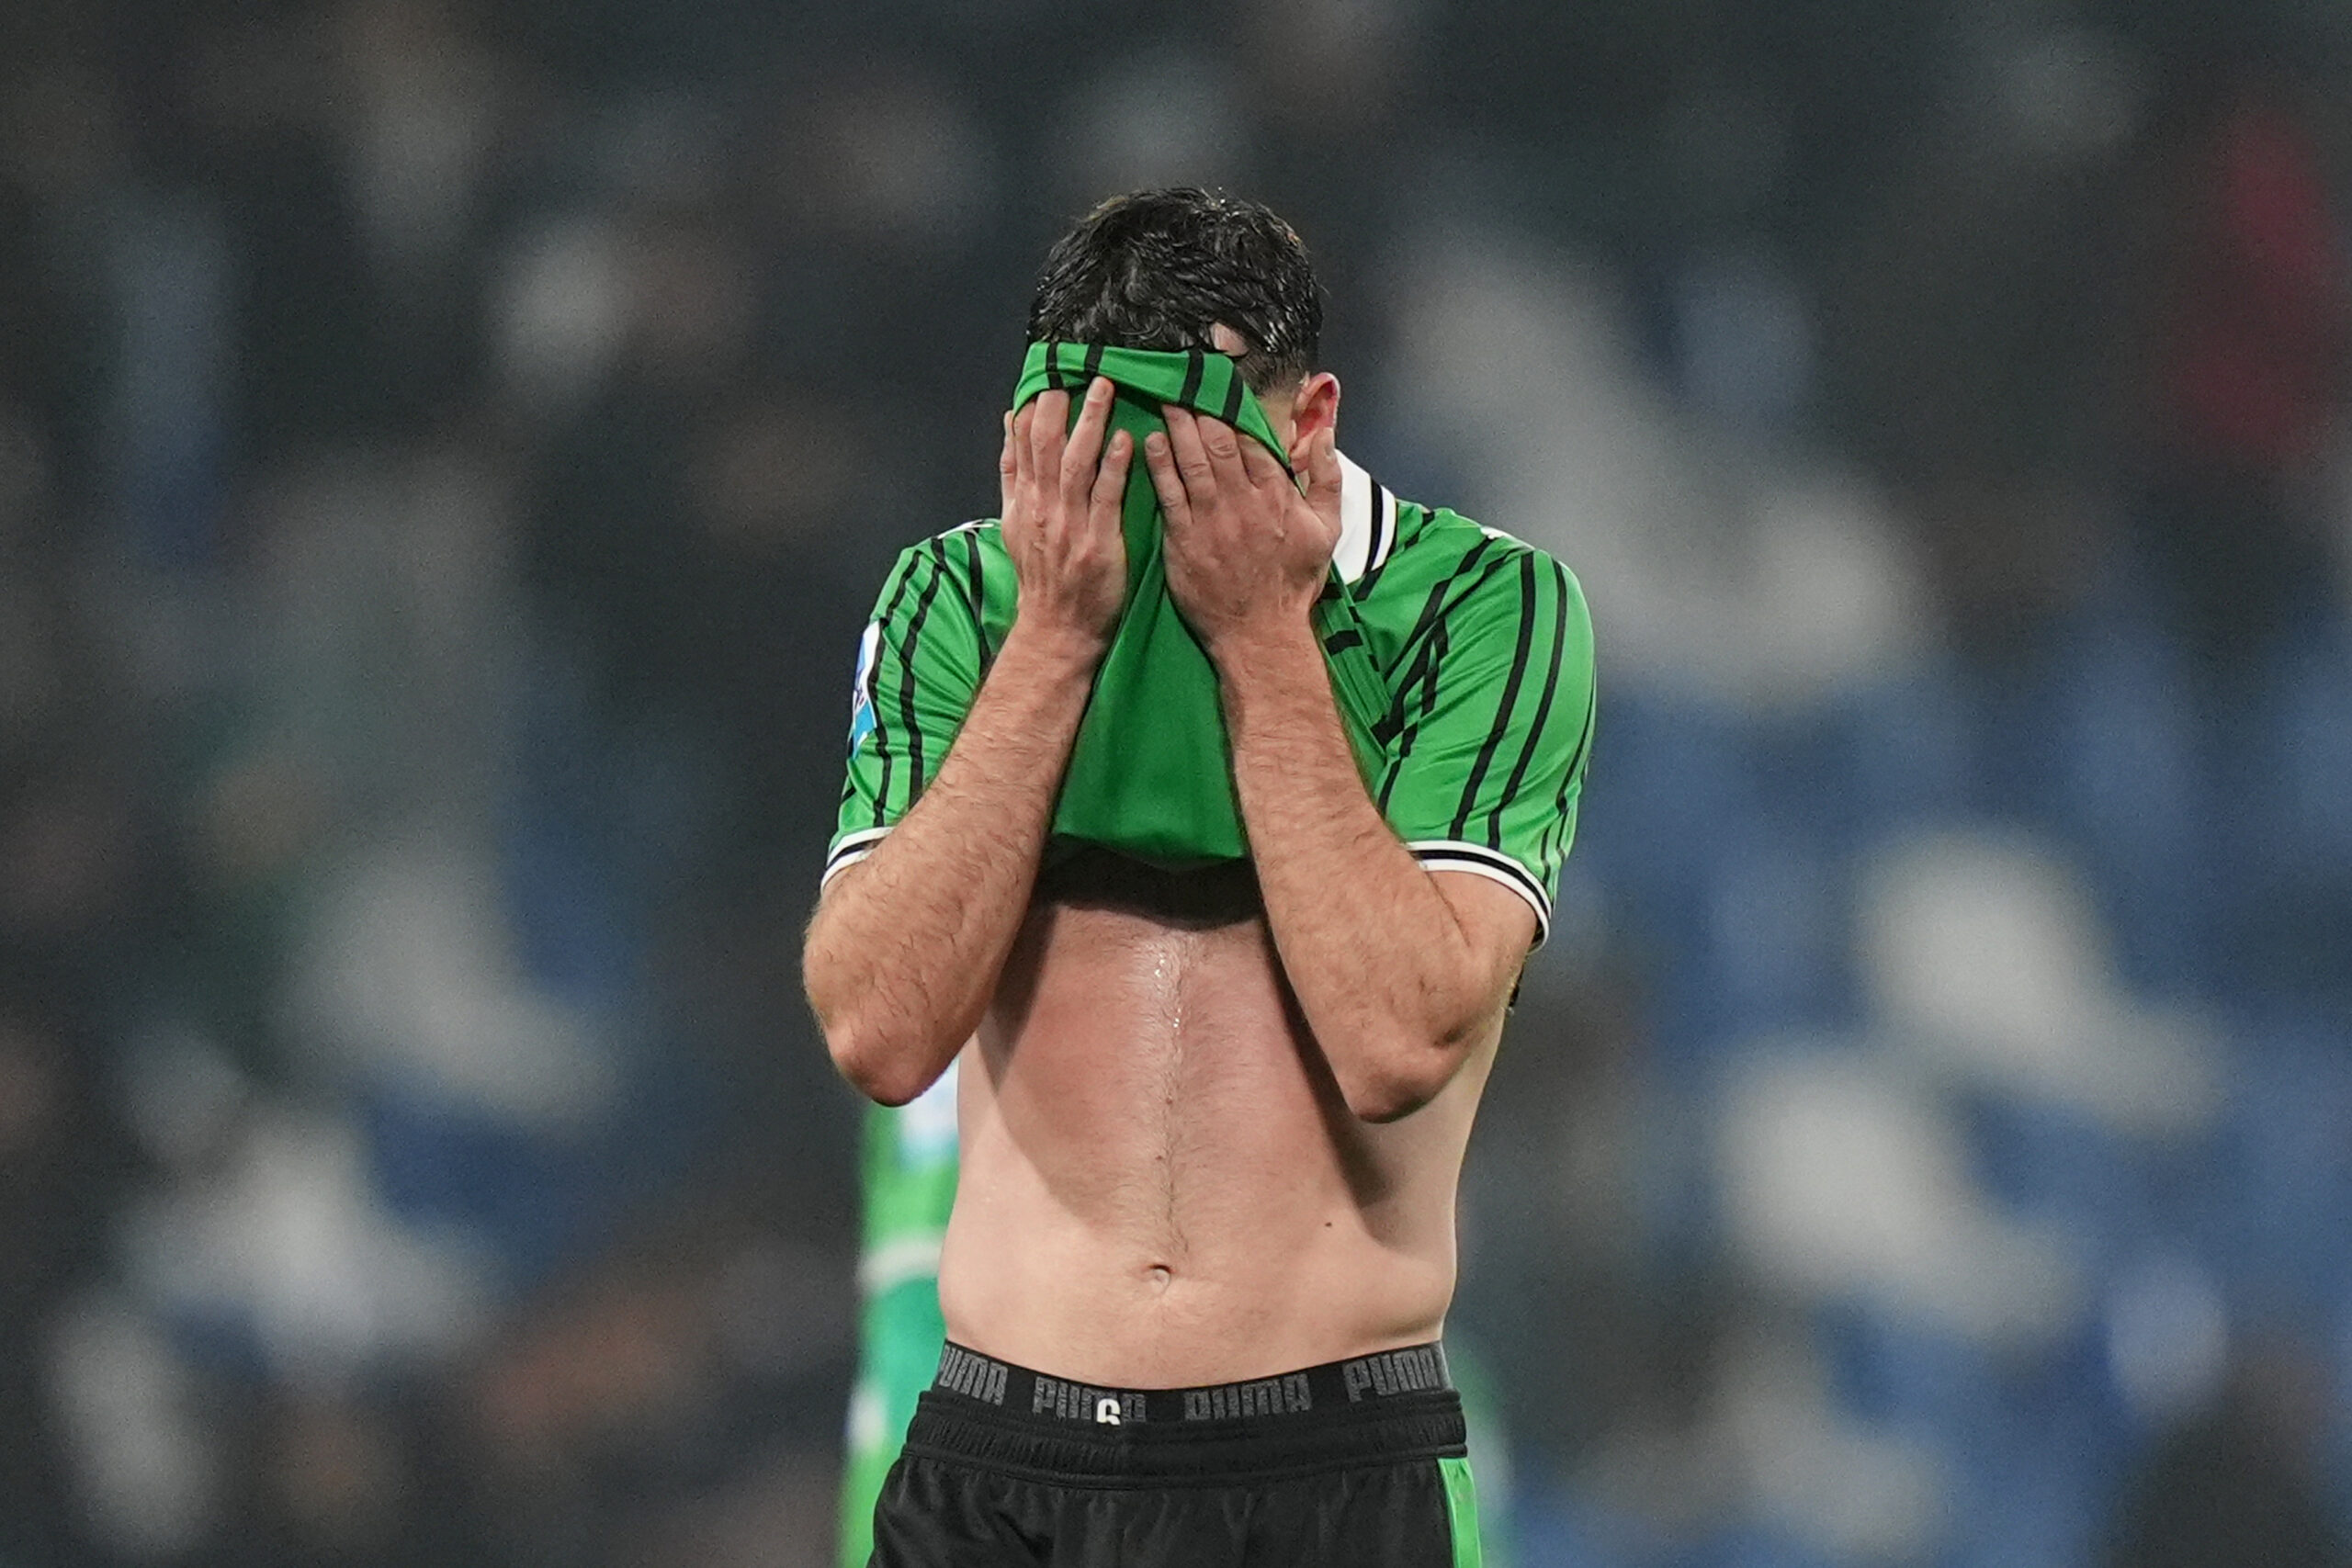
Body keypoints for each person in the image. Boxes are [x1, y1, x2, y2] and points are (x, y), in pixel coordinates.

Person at [805, 187, 1593, 1567]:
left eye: (1192, 457)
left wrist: (1261, 636)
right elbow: (879, 1029)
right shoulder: (956, 599)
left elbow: (1397, 1040)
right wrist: (1055, 635)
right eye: (1104, 450)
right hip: (999, 1463)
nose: (1149, 501)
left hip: (1330, 1468)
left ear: (1310, 419)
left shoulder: (1488, 609)